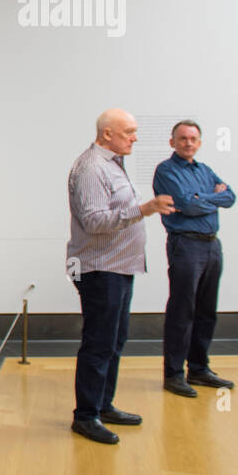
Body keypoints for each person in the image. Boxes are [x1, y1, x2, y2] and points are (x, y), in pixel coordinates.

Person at [66, 109, 175, 444]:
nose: (135, 137)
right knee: (98, 344)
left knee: (114, 341)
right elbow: (95, 221)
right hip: (100, 269)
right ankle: (85, 416)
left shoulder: (112, 164)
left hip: (119, 267)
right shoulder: (91, 167)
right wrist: (144, 209)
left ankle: (102, 405)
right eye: (129, 131)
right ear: (107, 133)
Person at [152, 121, 236, 396]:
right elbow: (186, 205)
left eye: (193, 139)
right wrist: (214, 197)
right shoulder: (166, 171)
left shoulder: (204, 170)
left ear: (200, 142)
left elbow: (231, 197)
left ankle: (199, 369)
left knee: (206, 311)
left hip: (212, 246)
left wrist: (203, 198)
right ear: (172, 142)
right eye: (183, 138)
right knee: (182, 311)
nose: (188, 143)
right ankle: (174, 375)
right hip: (185, 246)